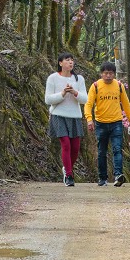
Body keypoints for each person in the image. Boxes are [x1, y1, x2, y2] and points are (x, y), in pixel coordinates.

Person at [84, 60, 130, 187]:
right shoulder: (95, 86)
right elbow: (88, 104)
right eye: (106, 73)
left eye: (111, 73)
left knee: (117, 149)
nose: (108, 76)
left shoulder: (119, 86)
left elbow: (126, 104)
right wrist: (89, 119)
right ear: (101, 74)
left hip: (116, 123)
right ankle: (103, 178)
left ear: (114, 74)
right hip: (100, 123)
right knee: (101, 151)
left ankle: (118, 175)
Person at [45, 52, 88, 187]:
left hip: (74, 115)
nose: (70, 62)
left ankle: (66, 168)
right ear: (60, 63)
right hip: (58, 114)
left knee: (75, 147)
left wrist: (74, 92)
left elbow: (85, 99)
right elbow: (48, 99)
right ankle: (69, 175)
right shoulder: (52, 78)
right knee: (65, 144)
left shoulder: (78, 79)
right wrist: (63, 93)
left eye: (72, 60)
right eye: (67, 60)